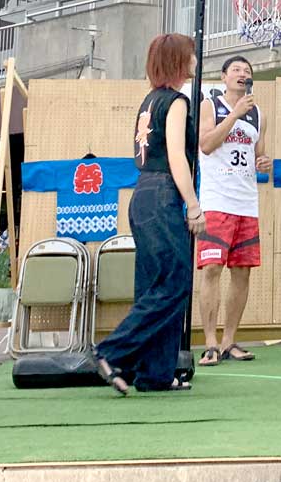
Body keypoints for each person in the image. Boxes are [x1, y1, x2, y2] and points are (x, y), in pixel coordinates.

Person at [95, 33, 204, 395]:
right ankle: (112, 351)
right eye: (190, 55)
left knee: (154, 286)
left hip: (143, 194)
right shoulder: (175, 102)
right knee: (175, 283)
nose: (194, 60)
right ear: (178, 60)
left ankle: (155, 374)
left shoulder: (149, 100)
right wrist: (193, 203)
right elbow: (177, 156)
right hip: (163, 195)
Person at [196, 55, 271, 366]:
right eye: (237, 70)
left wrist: (265, 163)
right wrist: (234, 114)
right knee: (212, 269)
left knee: (242, 272)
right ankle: (210, 342)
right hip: (216, 201)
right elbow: (206, 144)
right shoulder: (210, 106)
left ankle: (229, 341)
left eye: (247, 71)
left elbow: (259, 155)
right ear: (224, 77)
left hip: (246, 203)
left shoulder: (258, 115)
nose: (243, 75)